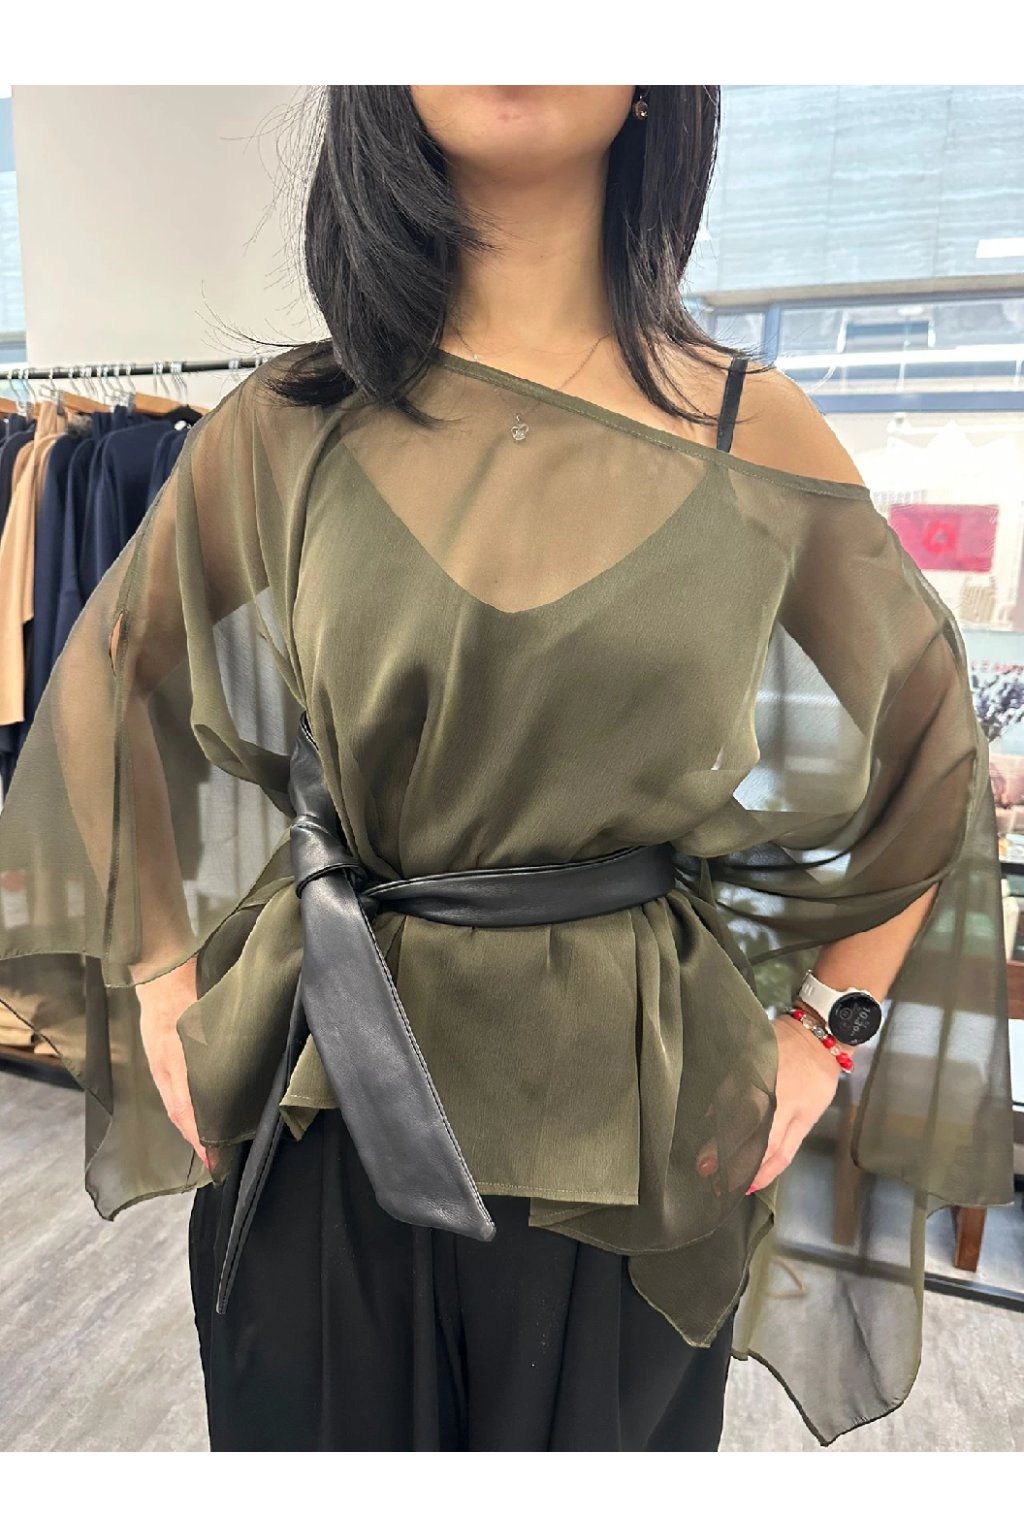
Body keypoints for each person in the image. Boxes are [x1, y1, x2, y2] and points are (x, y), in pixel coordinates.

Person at [0, 86, 1013, 1453]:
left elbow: (931, 741)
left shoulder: (750, 427)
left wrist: (829, 1031)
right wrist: (163, 980)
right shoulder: (291, 420)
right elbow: (116, 682)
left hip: (635, 1117)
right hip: (326, 1088)